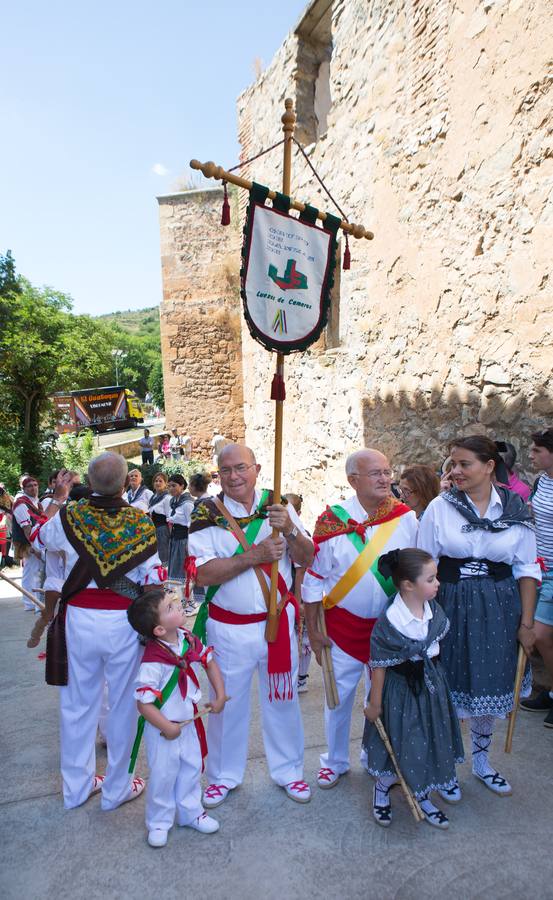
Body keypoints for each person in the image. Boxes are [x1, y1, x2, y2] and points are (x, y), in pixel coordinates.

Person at [27, 453, 165, 810]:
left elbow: (39, 541)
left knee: (77, 705)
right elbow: (153, 580)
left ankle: (76, 789)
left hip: (79, 622)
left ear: (87, 481)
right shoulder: (140, 521)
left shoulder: (69, 518)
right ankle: (117, 788)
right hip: (124, 624)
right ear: (124, 484)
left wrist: (59, 500)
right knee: (122, 706)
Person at [188, 443, 314, 806]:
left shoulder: (278, 504)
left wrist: (289, 530)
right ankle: (222, 776)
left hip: (277, 624)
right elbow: (202, 575)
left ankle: (289, 771)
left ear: (257, 468)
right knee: (226, 703)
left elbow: (307, 556)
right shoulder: (206, 513)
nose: (233, 476)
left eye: (240, 467)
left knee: (283, 698)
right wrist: (254, 556)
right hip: (228, 630)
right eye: (225, 470)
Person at [417, 435, 540, 797]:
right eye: (451, 464)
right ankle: (449, 768)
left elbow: (527, 569)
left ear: (489, 467)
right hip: (451, 604)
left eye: (464, 464)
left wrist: (527, 624)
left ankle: (483, 763)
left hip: (500, 608)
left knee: (487, 684)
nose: (455, 471)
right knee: (451, 687)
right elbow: (425, 563)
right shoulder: (441, 507)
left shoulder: (516, 508)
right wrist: (423, 621)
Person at [301, 449, 418, 790]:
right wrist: (313, 630)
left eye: (387, 471)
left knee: (382, 700)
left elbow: (416, 569)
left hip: (389, 630)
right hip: (342, 629)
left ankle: (376, 759)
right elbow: (313, 578)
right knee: (337, 699)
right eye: (375, 474)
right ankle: (335, 761)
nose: (385, 479)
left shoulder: (404, 518)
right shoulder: (331, 520)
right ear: (353, 480)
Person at [363, 549, 464, 829]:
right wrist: (375, 704)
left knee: (428, 741)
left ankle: (423, 794)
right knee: (399, 742)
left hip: (431, 689)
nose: (438, 583)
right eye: (431, 579)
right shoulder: (391, 621)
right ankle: (382, 790)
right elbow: (380, 664)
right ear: (408, 585)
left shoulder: (434, 610)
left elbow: (437, 651)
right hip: (400, 694)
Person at [128, 588, 227, 848]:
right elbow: (144, 704)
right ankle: (159, 821)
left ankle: (191, 812)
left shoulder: (187, 638)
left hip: (189, 722)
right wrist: (166, 727)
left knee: (192, 768)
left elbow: (209, 662)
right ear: (159, 630)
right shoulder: (152, 660)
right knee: (163, 774)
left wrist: (220, 695)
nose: (178, 606)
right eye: (170, 607)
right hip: (162, 729)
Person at [521, 428, 553, 726]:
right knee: (541, 637)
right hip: (541, 568)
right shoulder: (541, 481)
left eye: (537, 451)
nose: (531, 455)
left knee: (541, 635)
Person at [284, 492, 311, 693]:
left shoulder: (302, 537)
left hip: (298, 593)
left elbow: (301, 571)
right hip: (290, 593)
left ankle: (301, 676)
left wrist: (300, 602)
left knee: (302, 637)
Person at [12, 476, 46, 611]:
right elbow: (26, 528)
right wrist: (34, 547)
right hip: (27, 542)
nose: (34, 488)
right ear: (24, 489)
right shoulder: (21, 504)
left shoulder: (36, 503)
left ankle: (33, 602)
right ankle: (31, 603)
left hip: (34, 541)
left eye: (35, 485)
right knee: (32, 572)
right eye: (30, 486)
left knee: (34, 572)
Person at [167, 475, 194, 597]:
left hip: (183, 539)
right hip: (175, 537)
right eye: (169, 486)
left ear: (182, 486)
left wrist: (189, 544)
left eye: (174, 486)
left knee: (182, 567)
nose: (171, 488)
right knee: (174, 564)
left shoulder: (187, 503)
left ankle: (186, 596)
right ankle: (174, 590)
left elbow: (191, 524)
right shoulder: (173, 501)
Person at [148, 472, 171, 566]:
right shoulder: (153, 497)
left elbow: (170, 517)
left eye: (160, 481)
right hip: (154, 531)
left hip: (163, 531)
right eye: (156, 481)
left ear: (166, 484)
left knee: (164, 557)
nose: (158, 483)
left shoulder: (167, 498)